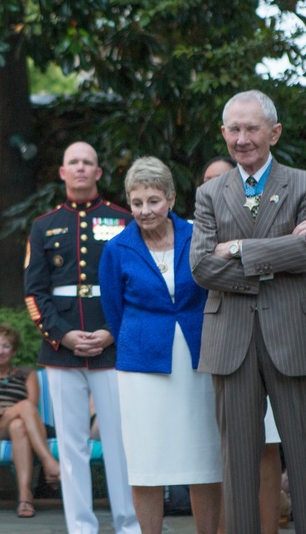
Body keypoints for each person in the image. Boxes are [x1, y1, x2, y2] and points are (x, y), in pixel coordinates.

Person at [190, 90, 306, 533]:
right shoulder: (210, 193)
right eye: (233, 128)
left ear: (274, 132)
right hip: (230, 339)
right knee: (237, 461)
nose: (242, 138)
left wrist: (237, 249)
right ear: (223, 133)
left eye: (252, 128)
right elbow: (200, 265)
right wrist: (278, 254)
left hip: (295, 335)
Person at [99, 156, 222, 534]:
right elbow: (114, 311)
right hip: (142, 366)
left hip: (200, 359)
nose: (144, 210)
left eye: (153, 201)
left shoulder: (198, 235)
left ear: (170, 198)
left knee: (205, 460)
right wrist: (141, 340)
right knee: (146, 463)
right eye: (136, 203)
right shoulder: (117, 249)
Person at [24, 141, 140, 534]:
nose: (79, 168)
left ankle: (129, 524)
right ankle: (81, 528)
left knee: (121, 443)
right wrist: (63, 336)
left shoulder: (124, 221)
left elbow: (135, 287)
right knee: (71, 447)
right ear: (62, 172)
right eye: (72, 162)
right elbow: (34, 294)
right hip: (62, 351)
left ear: (98, 173)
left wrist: (111, 333)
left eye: (87, 162)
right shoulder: (43, 225)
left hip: (111, 349)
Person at [200, 155, 286, 533]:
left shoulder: (266, 216)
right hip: (221, 345)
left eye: (225, 181)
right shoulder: (196, 231)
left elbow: (291, 258)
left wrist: (239, 252)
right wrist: (265, 259)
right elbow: (202, 271)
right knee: (227, 449)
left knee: (267, 445)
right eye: (209, 183)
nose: (218, 190)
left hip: (275, 341)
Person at [0, 324, 61, 519]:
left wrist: (7, 411)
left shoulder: (27, 374)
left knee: (19, 424)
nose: (0, 351)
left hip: (23, 423)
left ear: (14, 350)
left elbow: (31, 406)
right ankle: (49, 462)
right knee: (22, 408)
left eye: (6, 346)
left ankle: (25, 498)